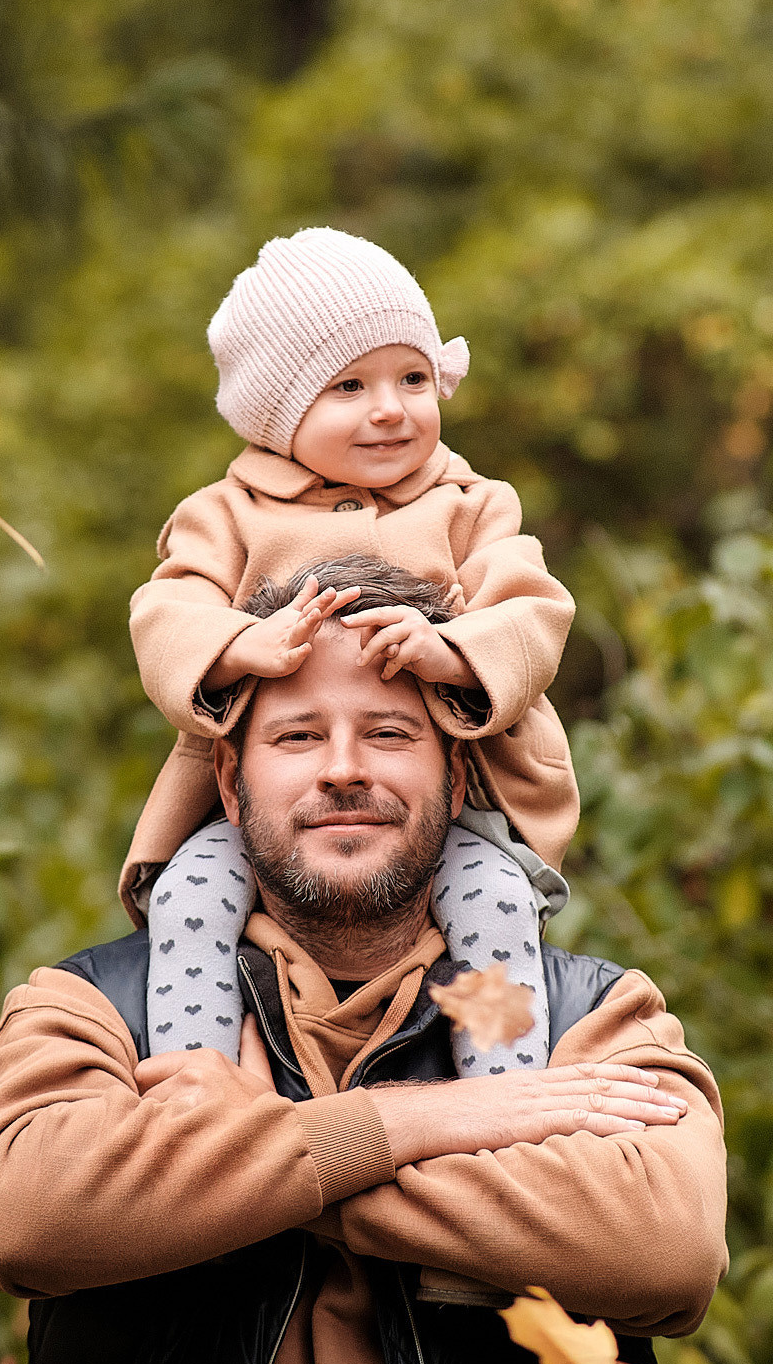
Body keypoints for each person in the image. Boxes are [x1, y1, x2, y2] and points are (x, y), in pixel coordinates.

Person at [0, 563, 729, 1364]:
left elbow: (665, 1248)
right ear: (228, 779)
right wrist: (415, 1125)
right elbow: (24, 1219)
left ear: (459, 773)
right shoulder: (96, 1009)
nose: (342, 770)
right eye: (296, 737)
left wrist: (242, 1160)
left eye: (390, 734)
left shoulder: (589, 1017)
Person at [131, 227, 576, 1077]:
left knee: (493, 905)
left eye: (413, 378)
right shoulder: (226, 515)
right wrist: (237, 645)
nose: (390, 408)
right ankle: (197, 1085)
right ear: (277, 411)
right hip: (263, 811)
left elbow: (533, 610)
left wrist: (453, 653)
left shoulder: (471, 504)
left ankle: (506, 1093)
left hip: (448, 801)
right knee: (192, 895)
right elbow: (165, 612)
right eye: (348, 386)